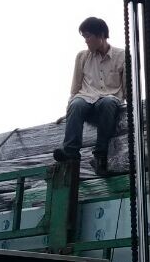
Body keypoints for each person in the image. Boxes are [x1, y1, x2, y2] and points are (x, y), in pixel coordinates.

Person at [53, 16, 126, 176]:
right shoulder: (82, 57)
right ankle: (71, 152)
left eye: (88, 36)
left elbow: (128, 89)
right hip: (86, 99)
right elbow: (75, 88)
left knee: (108, 102)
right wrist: (69, 110)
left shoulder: (122, 56)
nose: (85, 41)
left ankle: (100, 157)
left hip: (109, 101)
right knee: (76, 103)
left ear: (101, 35)